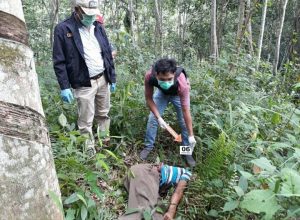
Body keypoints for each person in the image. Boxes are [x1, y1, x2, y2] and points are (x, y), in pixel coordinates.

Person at [52, 0, 116, 156]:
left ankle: (103, 139)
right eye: (88, 14)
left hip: (103, 78)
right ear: (77, 10)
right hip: (83, 82)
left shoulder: (98, 27)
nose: (91, 17)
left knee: (103, 113)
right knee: (86, 118)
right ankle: (88, 148)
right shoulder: (63, 29)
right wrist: (64, 86)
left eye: (94, 14)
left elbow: (107, 53)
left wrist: (112, 77)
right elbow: (59, 60)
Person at [140, 58, 197, 167]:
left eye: (169, 79)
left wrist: (191, 135)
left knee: (183, 123)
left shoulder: (182, 84)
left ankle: (186, 152)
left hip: (177, 94)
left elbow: (186, 111)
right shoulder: (149, 76)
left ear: (174, 74)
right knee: (153, 119)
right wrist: (159, 117)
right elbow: (148, 98)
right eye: (162, 79)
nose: (166, 82)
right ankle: (148, 146)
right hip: (161, 93)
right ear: (156, 75)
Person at [119, 163, 192, 220]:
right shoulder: (188, 174)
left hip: (138, 174)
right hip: (147, 174)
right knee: (144, 209)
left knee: (158, 212)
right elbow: (178, 192)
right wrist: (171, 212)